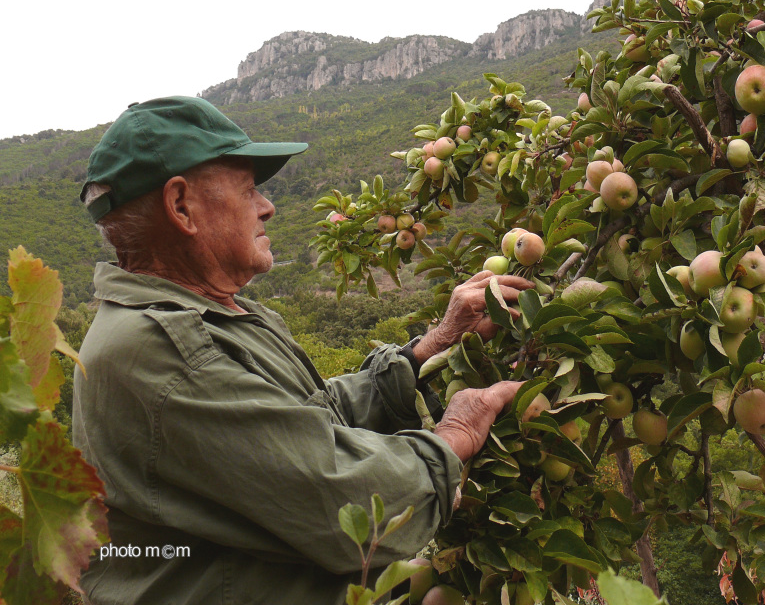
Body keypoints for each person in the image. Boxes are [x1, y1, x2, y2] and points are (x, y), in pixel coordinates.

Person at [73, 96, 533, 605]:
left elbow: (305, 419)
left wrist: (427, 350)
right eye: (248, 190)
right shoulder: (168, 350)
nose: (266, 206)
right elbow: (343, 504)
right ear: (181, 206)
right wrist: (456, 435)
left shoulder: (215, 316)